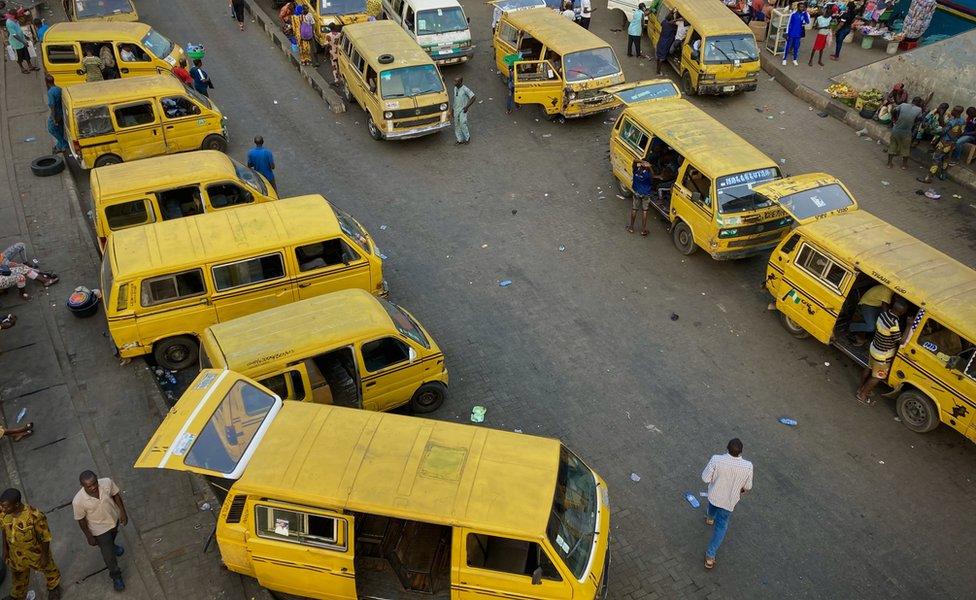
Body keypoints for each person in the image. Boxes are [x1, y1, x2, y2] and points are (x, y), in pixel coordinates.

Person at [0, 489, 63, 600]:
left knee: (49, 570)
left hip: (35, 554)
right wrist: (5, 548)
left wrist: (44, 556)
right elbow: (4, 529)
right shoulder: (3, 513)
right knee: (18, 576)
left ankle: (54, 588)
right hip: (15, 555)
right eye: (2, 506)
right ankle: (17, 596)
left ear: (17, 504)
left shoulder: (35, 516)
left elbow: (45, 537)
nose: (3, 509)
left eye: (6, 507)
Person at [700, 439, 753, 570]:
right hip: (729, 501)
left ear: (727, 448)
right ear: (741, 452)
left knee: (712, 507)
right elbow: (748, 486)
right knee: (721, 527)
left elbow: (705, 478)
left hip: (714, 495)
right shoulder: (748, 466)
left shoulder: (716, 459)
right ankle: (710, 556)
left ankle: (710, 518)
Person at [73, 471, 128, 592]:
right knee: (108, 555)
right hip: (99, 530)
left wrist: (123, 512)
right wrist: (89, 536)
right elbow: (81, 520)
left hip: (113, 520)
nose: (93, 487)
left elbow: (116, 496)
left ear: (97, 479)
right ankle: (116, 576)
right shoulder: (78, 501)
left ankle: (112, 546)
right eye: (89, 486)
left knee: (112, 538)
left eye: (94, 483)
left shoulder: (107, 482)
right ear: (82, 486)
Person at [856, 298, 908, 404]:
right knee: (877, 377)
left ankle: (860, 388)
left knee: (869, 369)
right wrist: (909, 325)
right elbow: (901, 341)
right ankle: (863, 395)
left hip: (874, 347)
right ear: (902, 312)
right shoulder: (894, 323)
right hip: (882, 355)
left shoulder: (884, 314)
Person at [918, 105, 965, 183]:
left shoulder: (951, 122)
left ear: (957, 112)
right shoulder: (962, 121)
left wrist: (934, 129)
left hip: (944, 143)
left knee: (936, 160)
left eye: (953, 110)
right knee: (946, 159)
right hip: (952, 144)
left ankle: (929, 178)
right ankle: (943, 176)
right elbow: (961, 133)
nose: (952, 111)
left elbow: (943, 132)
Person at [887, 96, 923, 170]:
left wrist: (894, 119)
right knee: (906, 148)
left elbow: (894, 110)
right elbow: (919, 119)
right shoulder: (919, 109)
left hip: (896, 129)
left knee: (893, 145)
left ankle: (889, 163)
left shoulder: (903, 105)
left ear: (912, 101)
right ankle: (904, 165)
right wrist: (913, 123)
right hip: (906, 132)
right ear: (919, 103)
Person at [628, 159, 654, 237]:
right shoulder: (648, 174)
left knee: (634, 209)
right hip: (646, 194)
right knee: (645, 211)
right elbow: (653, 176)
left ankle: (631, 227)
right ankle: (643, 230)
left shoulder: (636, 171)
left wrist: (641, 161)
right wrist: (650, 167)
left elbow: (634, 162)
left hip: (637, 192)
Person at [45, 75, 69, 154]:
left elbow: (52, 106)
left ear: (47, 83)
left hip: (56, 114)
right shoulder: (59, 89)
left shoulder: (51, 92)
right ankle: (60, 145)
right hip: (61, 113)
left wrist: (54, 118)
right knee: (60, 129)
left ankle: (63, 145)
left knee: (52, 129)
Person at [782, 2, 809, 66]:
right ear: (798, 7)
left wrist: (805, 12)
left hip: (798, 34)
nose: (802, 8)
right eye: (800, 7)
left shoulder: (803, 14)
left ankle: (795, 59)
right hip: (791, 33)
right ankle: (784, 59)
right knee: (788, 47)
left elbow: (807, 21)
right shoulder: (793, 14)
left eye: (803, 7)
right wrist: (787, 33)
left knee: (796, 47)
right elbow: (789, 23)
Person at [452, 77, 476, 145]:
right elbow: (455, 99)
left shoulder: (465, 89)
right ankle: (459, 140)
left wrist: (467, 107)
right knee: (457, 125)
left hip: (463, 110)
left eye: (456, 82)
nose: (455, 83)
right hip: (456, 109)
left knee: (462, 123)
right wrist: (452, 110)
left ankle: (467, 138)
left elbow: (473, 97)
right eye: (454, 81)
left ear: (460, 82)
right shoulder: (455, 88)